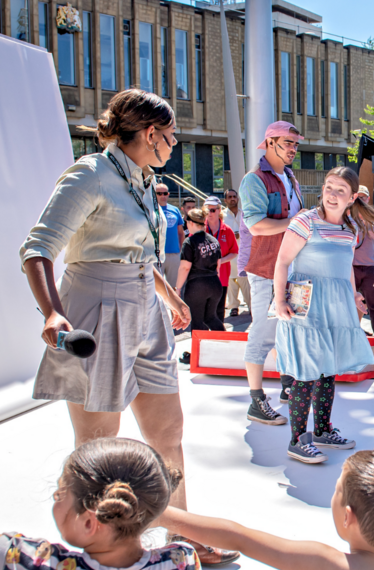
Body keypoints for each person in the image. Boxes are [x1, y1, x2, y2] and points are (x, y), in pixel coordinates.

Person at [17, 89, 233, 565]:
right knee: (99, 445)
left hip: (145, 310)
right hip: (96, 307)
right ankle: (99, 547)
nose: (175, 144)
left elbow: (136, 248)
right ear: (151, 134)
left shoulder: (140, 178)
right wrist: (53, 312)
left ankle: (182, 532)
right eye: (172, 135)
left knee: (168, 433)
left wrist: (169, 295)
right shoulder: (90, 175)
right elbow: (37, 250)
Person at [156, 450, 374, 570]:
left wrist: (160, 513)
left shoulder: (327, 563)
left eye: (336, 490)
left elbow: (237, 537)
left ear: (348, 516)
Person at [0, 438, 205, 570]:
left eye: (60, 493)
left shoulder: (40, 563)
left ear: (88, 523)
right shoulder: (180, 560)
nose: (55, 497)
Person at [273, 166, 374, 465]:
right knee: (305, 373)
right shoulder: (305, 221)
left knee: (327, 370)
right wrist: (279, 300)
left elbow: (344, 266)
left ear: (352, 197)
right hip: (305, 306)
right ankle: (297, 441)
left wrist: (353, 293)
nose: (332, 194)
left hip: (336, 305)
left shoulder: (351, 228)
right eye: (329, 187)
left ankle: (322, 430)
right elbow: (282, 262)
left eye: (340, 190)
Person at [237, 121, 306, 426]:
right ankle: (256, 399)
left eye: (295, 144)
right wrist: (297, 221)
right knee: (262, 333)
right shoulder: (254, 179)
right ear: (269, 143)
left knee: (290, 331)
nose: (293, 149)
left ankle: (288, 387)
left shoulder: (289, 177)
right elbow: (255, 226)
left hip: (293, 269)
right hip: (266, 269)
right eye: (287, 143)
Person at [176, 209, 225, 332]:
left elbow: (185, 267)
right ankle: (225, 346)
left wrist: (178, 289)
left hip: (197, 286)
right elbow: (218, 265)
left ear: (191, 223)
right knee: (211, 318)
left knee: (197, 321)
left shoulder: (189, 242)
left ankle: (198, 351)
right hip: (214, 283)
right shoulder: (213, 240)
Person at [351, 187, 374, 334]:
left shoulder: (373, 215)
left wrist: (365, 219)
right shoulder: (347, 214)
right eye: (357, 197)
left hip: (369, 266)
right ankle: (353, 332)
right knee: (349, 303)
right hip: (351, 267)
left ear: (368, 199)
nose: (360, 200)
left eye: (363, 197)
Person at [202, 197, 238, 323]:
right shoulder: (200, 229)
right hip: (203, 277)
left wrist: (220, 261)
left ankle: (219, 338)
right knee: (204, 311)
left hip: (221, 277)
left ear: (218, 211)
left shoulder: (227, 230)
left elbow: (234, 252)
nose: (209, 214)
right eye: (206, 211)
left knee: (218, 311)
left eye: (212, 210)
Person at [222, 189, 250, 317]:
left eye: (234, 196)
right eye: (230, 197)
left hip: (244, 253)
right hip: (229, 253)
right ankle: (233, 306)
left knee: (245, 282)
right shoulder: (222, 216)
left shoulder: (244, 214)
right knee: (231, 282)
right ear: (225, 200)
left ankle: (251, 306)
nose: (232, 199)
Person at [156, 182, 185, 288]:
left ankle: (174, 305)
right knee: (157, 287)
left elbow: (180, 233)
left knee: (175, 286)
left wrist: (181, 251)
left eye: (165, 193)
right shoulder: (151, 210)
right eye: (159, 193)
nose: (162, 196)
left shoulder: (175, 210)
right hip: (157, 255)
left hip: (174, 254)